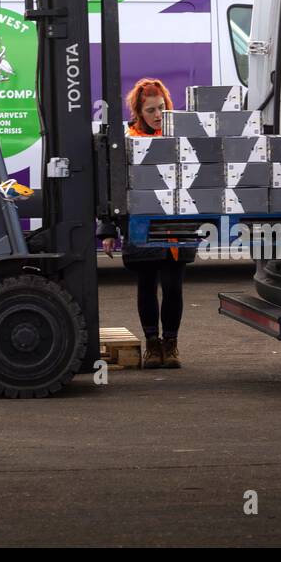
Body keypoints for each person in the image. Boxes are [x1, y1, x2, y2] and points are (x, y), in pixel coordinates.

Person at [99, 78, 194, 369]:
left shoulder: (180, 139)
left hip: (177, 224)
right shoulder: (127, 141)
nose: (156, 115)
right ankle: (152, 346)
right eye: (150, 109)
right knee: (146, 285)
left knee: (173, 286)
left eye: (161, 108)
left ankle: (171, 344)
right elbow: (111, 187)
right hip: (141, 223)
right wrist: (107, 230)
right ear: (139, 112)